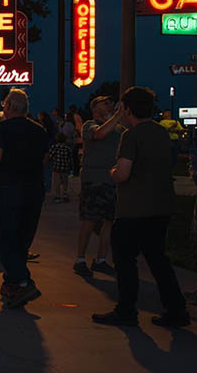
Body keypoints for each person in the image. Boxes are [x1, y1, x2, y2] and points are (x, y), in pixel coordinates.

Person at [93, 87, 190, 327]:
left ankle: (126, 310)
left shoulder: (131, 135)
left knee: (125, 261)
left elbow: (123, 173)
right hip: (162, 205)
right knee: (158, 260)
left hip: (134, 208)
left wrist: (113, 172)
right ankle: (177, 310)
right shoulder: (161, 133)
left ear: (126, 109)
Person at [0, 89, 49, 309]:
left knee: (5, 238)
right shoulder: (39, 130)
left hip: (10, 189)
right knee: (23, 237)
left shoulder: (2, 129)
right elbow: (45, 157)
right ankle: (12, 285)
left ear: (8, 107)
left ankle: (23, 280)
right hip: (34, 189)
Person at [74, 96, 123, 278]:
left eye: (111, 101)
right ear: (95, 108)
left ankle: (101, 259)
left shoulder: (118, 128)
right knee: (89, 220)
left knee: (109, 222)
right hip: (94, 180)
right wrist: (117, 115)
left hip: (112, 181)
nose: (110, 103)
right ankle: (80, 259)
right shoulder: (90, 125)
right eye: (105, 101)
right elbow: (100, 134)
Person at [47, 133, 73, 203]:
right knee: (65, 181)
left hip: (57, 166)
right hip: (65, 167)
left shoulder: (54, 147)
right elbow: (70, 158)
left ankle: (58, 196)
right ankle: (65, 193)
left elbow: (50, 156)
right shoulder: (67, 148)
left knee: (57, 182)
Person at [159, 109, 184, 175]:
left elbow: (181, 130)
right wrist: (171, 128)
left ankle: (171, 173)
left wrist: (177, 131)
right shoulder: (162, 122)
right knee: (168, 157)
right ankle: (166, 173)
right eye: (166, 113)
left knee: (174, 158)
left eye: (169, 113)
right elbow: (163, 131)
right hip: (167, 141)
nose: (168, 114)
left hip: (176, 141)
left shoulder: (176, 122)